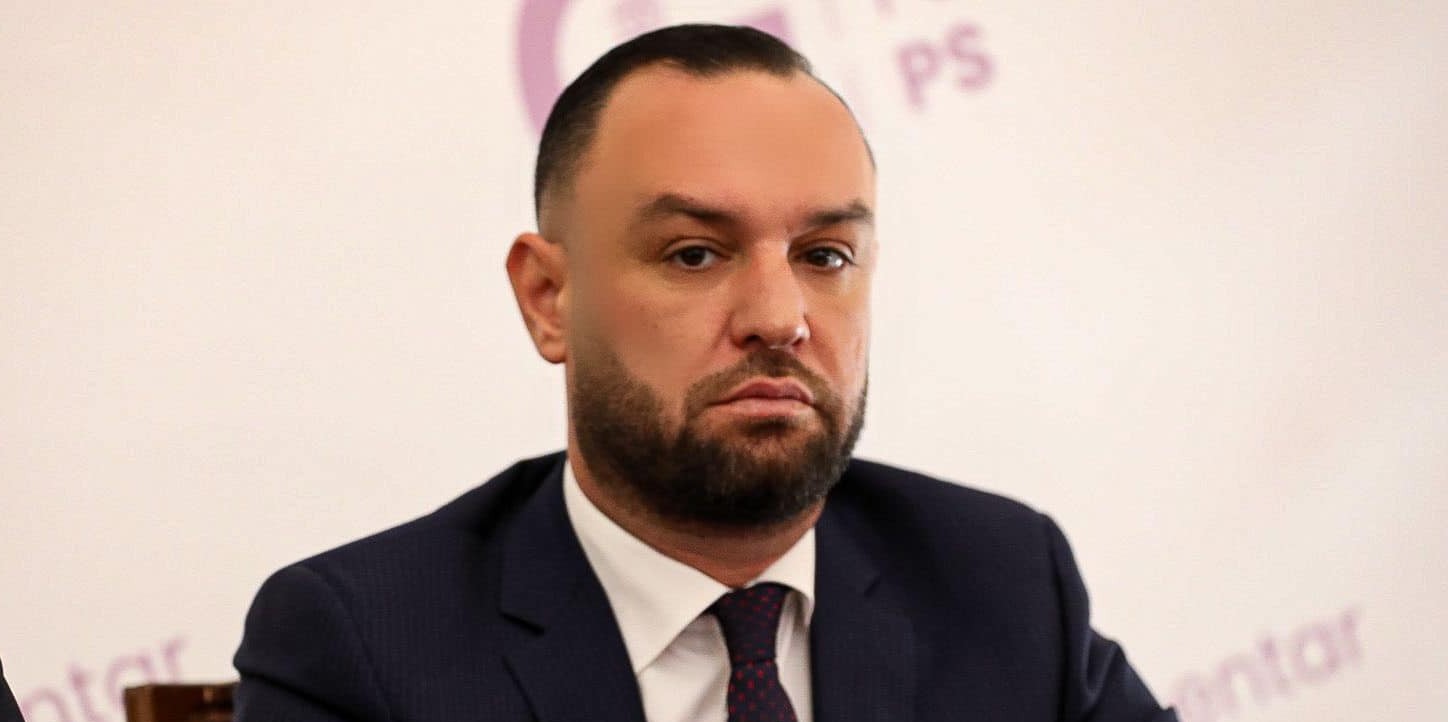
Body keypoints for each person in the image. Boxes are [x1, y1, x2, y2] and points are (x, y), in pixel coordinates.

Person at [234, 24, 1177, 722]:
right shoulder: (364, 645)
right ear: (549, 298)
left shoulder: (1001, 581)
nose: (780, 317)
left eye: (825, 255)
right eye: (694, 253)